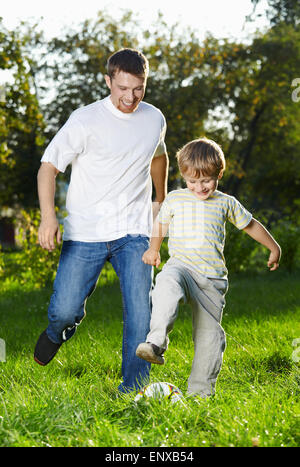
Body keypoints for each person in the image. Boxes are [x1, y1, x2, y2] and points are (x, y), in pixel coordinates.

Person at [33, 48, 169, 394]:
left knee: (141, 311)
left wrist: (160, 198)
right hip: (86, 232)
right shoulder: (85, 119)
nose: (130, 97)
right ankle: (57, 332)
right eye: (122, 87)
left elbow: (159, 153)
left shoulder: (154, 119)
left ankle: (133, 390)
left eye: (138, 88)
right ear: (108, 81)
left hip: (134, 231)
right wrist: (48, 217)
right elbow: (48, 167)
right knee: (63, 310)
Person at [136, 137, 281, 398]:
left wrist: (274, 247)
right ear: (183, 176)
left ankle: (200, 393)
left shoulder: (226, 202)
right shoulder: (175, 199)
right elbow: (160, 224)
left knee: (210, 337)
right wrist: (153, 248)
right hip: (180, 267)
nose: (199, 187)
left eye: (206, 180)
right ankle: (155, 342)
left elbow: (251, 225)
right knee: (165, 285)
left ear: (219, 174)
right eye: (192, 181)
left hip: (212, 282)